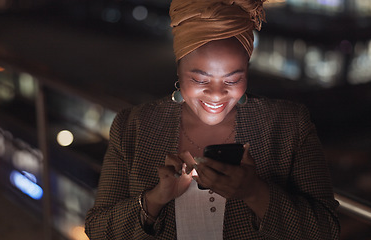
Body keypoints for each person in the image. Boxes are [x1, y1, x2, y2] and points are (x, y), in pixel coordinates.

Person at [85, 0, 340, 239]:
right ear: (178, 69)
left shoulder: (289, 124)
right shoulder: (133, 126)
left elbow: (327, 230)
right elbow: (98, 229)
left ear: (248, 70)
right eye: (200, 80)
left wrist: (256, 193)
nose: (217, 94)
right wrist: (155, 199)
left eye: (233, 80)